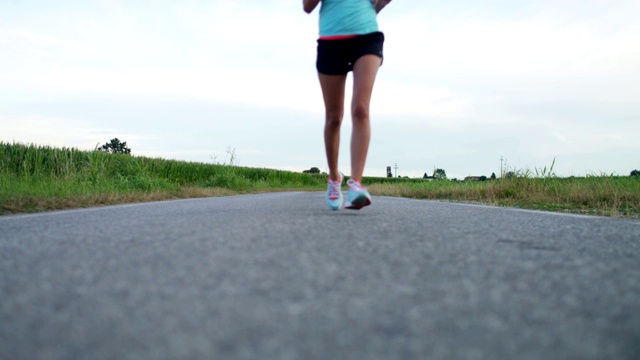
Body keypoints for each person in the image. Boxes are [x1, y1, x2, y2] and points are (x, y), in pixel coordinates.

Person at [303, 0, 391, 210]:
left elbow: (380, 3)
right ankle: (334, 178)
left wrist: (379, 4)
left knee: (360, 109)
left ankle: (356, 185)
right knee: (334, 117)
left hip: (366, 35)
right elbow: (307, 6)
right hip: (331, 38)